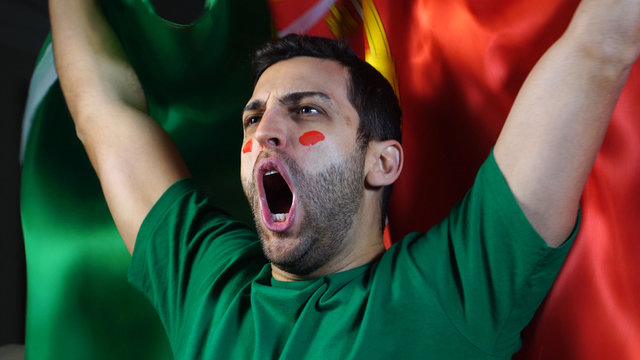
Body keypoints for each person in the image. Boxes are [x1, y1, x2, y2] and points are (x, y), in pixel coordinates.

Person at [48, 0, 640, 358]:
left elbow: (597, 48)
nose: (264, 134)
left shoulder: (452, 288)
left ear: (381, 162)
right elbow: (104, 116)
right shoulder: (208, 290)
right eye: (254, 117)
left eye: (307, 110)